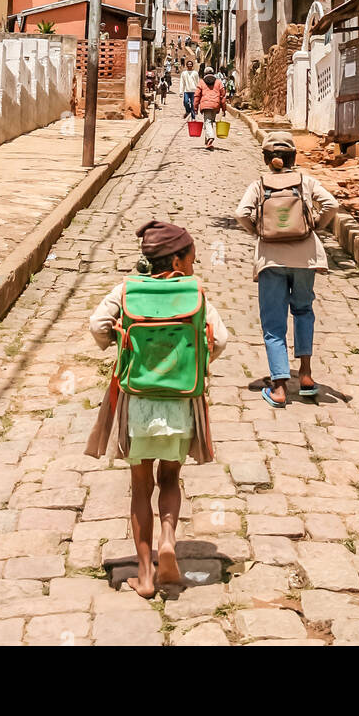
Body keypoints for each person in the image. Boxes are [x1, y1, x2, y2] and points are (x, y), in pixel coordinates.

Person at [86, 219, 228, 598]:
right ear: (178, 261)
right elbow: (222, 339)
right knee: (169, 480)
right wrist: (198, 360)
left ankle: (146, 577)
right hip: (180, 403)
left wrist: (117, 342)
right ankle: (169, 538)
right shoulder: (194, 292)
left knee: (140, 487)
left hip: (138, 404)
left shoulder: (127, 290)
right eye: (193, 260)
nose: (195, 267)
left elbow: (97, 324)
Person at [235, 131, 338, 407]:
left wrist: (258, 230)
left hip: (271, 260)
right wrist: (314, 223)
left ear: (267, 159)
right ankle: (305, 375)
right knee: (304, 310)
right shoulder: (306, 181)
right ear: (293, 157)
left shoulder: (259, 185)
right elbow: (332, 204)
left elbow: (241, 213)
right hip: (305, 258)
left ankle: (279, 387)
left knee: (273, 322)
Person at [193, 66, 227, 150]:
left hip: (206, 105)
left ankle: (210, 137)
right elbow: (223, 96)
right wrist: (224, 109)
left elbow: (197, 96)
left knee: (207, 122)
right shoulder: (218, 82)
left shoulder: (201, 82)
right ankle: (207, 140)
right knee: (210, 121)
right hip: (216, 105)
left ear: (205, 73)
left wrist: (195, 107)